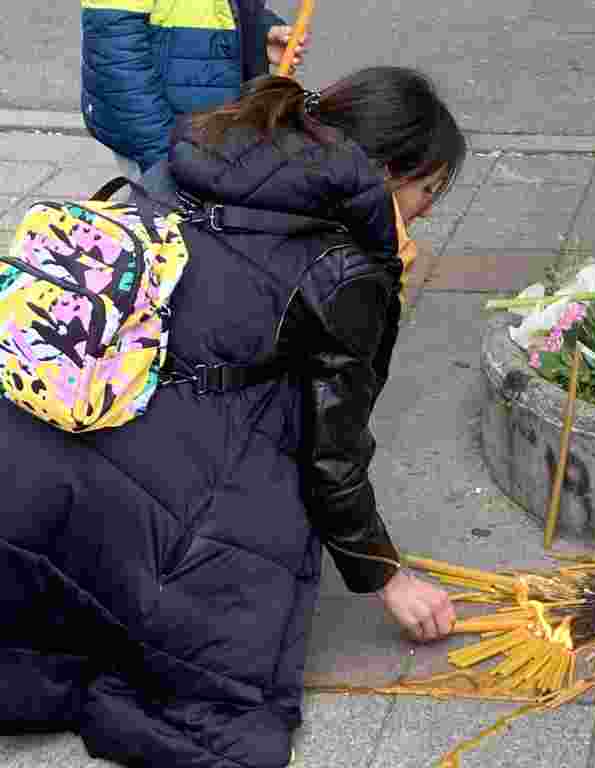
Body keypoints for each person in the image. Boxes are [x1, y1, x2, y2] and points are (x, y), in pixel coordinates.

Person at [0, 66, 464, 768]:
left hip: (40, 445)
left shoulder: (211, 147)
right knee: (218, 684)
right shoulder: (347, 268)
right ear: (392, 174)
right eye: (430, 192)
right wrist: (388, 578)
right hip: (155, 494)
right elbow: (333, 454)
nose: (428, 213)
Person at [81, 0, 309, 176]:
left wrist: (257, 35)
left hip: (207, 135)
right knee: (159, 216)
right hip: (166, 136)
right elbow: (115, 55)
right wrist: (164, 155)